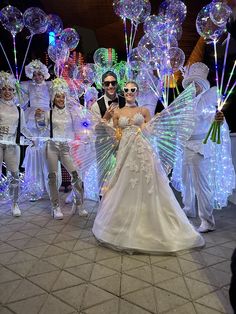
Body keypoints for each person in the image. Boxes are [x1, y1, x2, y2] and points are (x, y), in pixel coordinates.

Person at [92, 81, 205, 253]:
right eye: (127, 90)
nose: (129, 92)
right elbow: (115, 136)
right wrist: (105, 121)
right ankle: (120, 226)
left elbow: (150, 131)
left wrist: (154, 123)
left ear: (137, 92)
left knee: (148, 185)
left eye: (133, 90)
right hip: (125, 153)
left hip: (142, 151)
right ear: (123, 92)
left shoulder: (143, 110)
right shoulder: (117, 112)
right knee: (123, 185)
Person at [172, 62, 235, 233]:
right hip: (186, 146)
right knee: (186, 181)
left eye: (196, 84)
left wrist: (218, 119)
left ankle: (207, 221)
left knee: (202, 185)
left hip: (200, 148)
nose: (194, 87)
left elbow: (214, 118)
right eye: (191, 83)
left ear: (202, 86)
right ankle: (188, 208)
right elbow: (180, 125)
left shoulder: (206, 103)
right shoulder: (185, 104)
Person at [35, 78, 88, 219]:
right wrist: (38, 118)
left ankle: (79, 204)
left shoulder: (71, 112)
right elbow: (41, 129)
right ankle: (55, 206)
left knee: (76, 175)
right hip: (52, 146)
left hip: (66, 148)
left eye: (63, 96)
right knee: (52, 176)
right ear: (53, 97)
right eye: (58, 96)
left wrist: (84, 121)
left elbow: (82, 126)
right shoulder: (48, 113)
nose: (60, 99)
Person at [0, 71, 33, 216]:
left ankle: (14, 203)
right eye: (4, 89)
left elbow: (24, 128)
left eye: (10, 89)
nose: (8, 92)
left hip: (12, 145)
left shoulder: (19, 109)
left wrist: (33, 137)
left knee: (14, 174)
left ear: (14, 91)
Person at [22, 60, 51, 201]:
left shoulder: (49, 86)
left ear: (44, 74)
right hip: (32, 117)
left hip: (46, 116)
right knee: (33, 150)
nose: (38, 77)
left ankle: (48, 186)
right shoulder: (28, 86)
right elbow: (20, 98)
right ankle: (33, 187)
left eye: (40, 74)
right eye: (35, 74)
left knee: (45, 150)